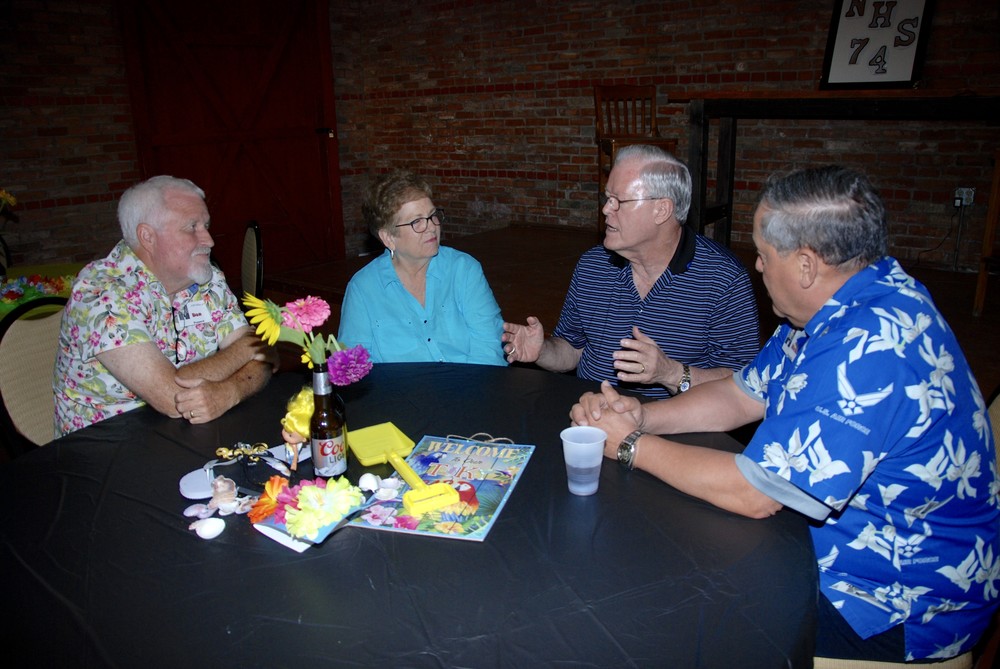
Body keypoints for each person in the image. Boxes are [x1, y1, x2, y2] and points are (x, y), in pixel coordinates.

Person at [571, 165, 999, 663]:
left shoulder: (870, 348)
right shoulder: (841, 301)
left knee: (670, 604)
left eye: (764, 253)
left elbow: (755, 494)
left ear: (806, 266)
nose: (756, 266)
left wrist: (629, 445)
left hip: (896, 601)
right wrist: (643, 417)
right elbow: (740, 395)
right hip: (848, 547)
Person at [502, 144, 759, 399]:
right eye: (607, 198)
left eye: (619, 201)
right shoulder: (593, 265)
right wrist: (542, 350)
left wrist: (670, 373)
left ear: (662, 210)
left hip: (671, 421)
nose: (606, 209)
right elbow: (573, 348)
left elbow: (746, 384)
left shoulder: (723, 278)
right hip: (591, 413)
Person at [54, 175, 277, 437]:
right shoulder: (101, 293)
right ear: (148, 237)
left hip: (190, 434)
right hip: (106, 445)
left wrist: (230, 392)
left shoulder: (207, 279)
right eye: (191, 227)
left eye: (206, 225)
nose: (209, 240)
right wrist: (246, 347)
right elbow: (173, 398)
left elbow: (267, 360)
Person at [338, 170, 506, 366]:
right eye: (417, 221)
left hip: (471, 382)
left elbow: (489, 347)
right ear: (388, 238)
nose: (432, 227)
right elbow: (353, 366)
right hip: (398, 387)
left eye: (432, 215)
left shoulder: (464, 270)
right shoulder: (363, 289)